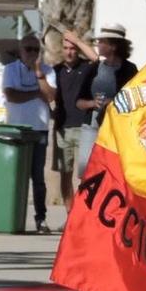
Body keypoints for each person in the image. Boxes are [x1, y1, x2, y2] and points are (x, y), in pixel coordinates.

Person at [0, 34, 55, 234]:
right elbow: (11, 95)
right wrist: (35, 94)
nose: (31, 53)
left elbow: (50, 96)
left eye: (35, 50)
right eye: (28, 49)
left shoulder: (47, 71)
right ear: (20, 50)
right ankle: (10, 217)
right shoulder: (10, 69)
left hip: (39, 128)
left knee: (37, 177)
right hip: (16, 129)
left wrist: (39, 73)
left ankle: (41, 218)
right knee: (14, 176)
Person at [72, 25, 137, 178]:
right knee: (87, 171)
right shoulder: (93, 69)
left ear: (113, 46)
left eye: (101, 41)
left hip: (117, 128)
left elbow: (135, 98)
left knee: (115, 173)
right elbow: (78, 101)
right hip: (92, 126)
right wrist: (92, 103)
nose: (98, 45)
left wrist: (113, 102)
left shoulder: (129, 70)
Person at [50, 35, 95, 207]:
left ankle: (82, 214)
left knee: (86, 174)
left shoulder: (86, 67)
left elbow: (96, 58)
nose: (69, 52)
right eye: (66, 48)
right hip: (63, 127)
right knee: (65, 173)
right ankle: (70, 215)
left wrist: (77, 41)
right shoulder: (56, 70)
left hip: (84, 127)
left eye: (73, 48)